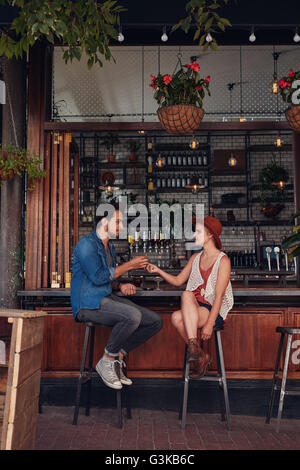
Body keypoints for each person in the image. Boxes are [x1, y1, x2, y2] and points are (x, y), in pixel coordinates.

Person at [71, 204, 162, 390]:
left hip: (106, 298)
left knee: (154, 321)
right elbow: (98, 277)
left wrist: (120, 285)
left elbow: (108, 278)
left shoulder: (109, 247)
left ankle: (117, 357)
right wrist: (129, 265)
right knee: (132, 316)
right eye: (118, 221)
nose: (121, 226)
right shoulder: (86, 244)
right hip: (87, 304)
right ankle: (107, 360)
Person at [146, 216, 233, 377]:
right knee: (178, 312)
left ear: (210, 236)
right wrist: (158, 270)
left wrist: (210, 324)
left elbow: (219, 296)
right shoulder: (195, 258)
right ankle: (199, 352)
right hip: (196, 309)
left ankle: (197, 352)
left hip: (213, 310)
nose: (194, 236)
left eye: (198, 232)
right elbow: (178, 280)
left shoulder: (223, 261)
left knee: (181, 308)